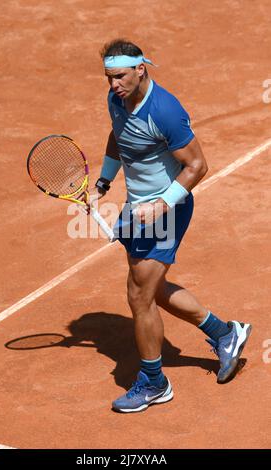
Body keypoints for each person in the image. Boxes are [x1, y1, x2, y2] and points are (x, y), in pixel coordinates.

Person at [87, 38, 252, 413]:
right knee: (154, 289)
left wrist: (161, 205)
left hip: (166, 209)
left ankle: (154, 382)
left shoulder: (164, 111)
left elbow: (197, 165)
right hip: (138, 208)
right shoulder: (117, 100)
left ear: (140, 69)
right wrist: (103, 182)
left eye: (121, 76)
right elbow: (119, 136)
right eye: (108, 78)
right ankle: (225, 334)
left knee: (138, 294)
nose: (114, 85)